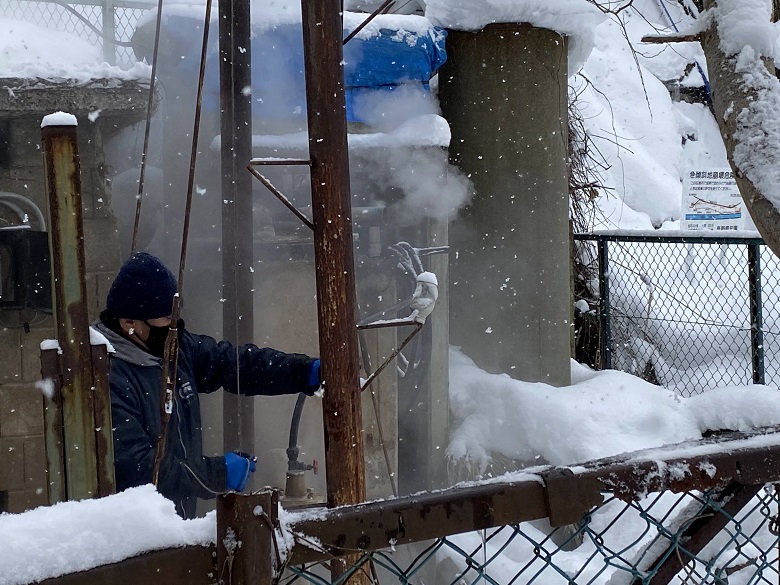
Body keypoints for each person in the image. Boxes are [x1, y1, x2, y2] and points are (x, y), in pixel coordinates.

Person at [93, 252, 321, 518]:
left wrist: (302, 371)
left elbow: (235, 364)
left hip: (178, 522)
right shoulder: (108, 379)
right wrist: (218, 473)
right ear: (129, 323)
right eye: (165, 320)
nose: (173, 327)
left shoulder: (176, 349)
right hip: (136, 534)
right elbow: (142, 471)